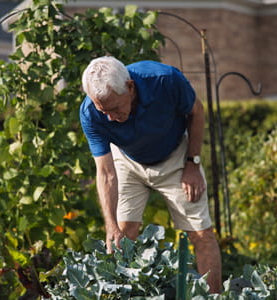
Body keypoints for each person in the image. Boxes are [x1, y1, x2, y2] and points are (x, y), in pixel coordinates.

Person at [79, 56, 222, 293]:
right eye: (102, 110)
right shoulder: (90, 113)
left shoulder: (165, 80)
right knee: (122, 238)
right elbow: (105, 173)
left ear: (130, 87)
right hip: (127, 161)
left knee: (201, 234)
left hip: (176, 155)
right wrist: (111, 225)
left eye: (114, 108)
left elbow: (197, 112)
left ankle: (213, 298)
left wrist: (192, 163)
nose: (110, 118)